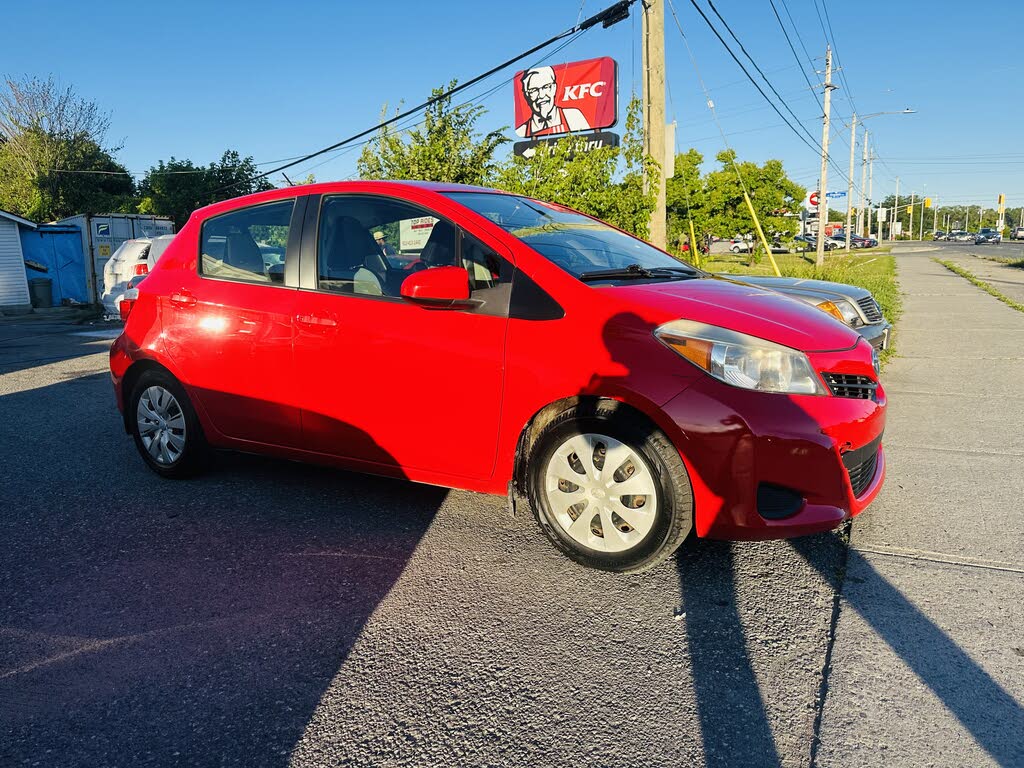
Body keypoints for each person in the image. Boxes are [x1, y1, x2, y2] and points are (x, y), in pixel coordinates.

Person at [515, 66, 591, 138]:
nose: (541, 95)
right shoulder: (522, 130)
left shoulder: (573, 116)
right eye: (534, 90)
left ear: (554, 88)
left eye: (546, 87)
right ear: (526, 95)